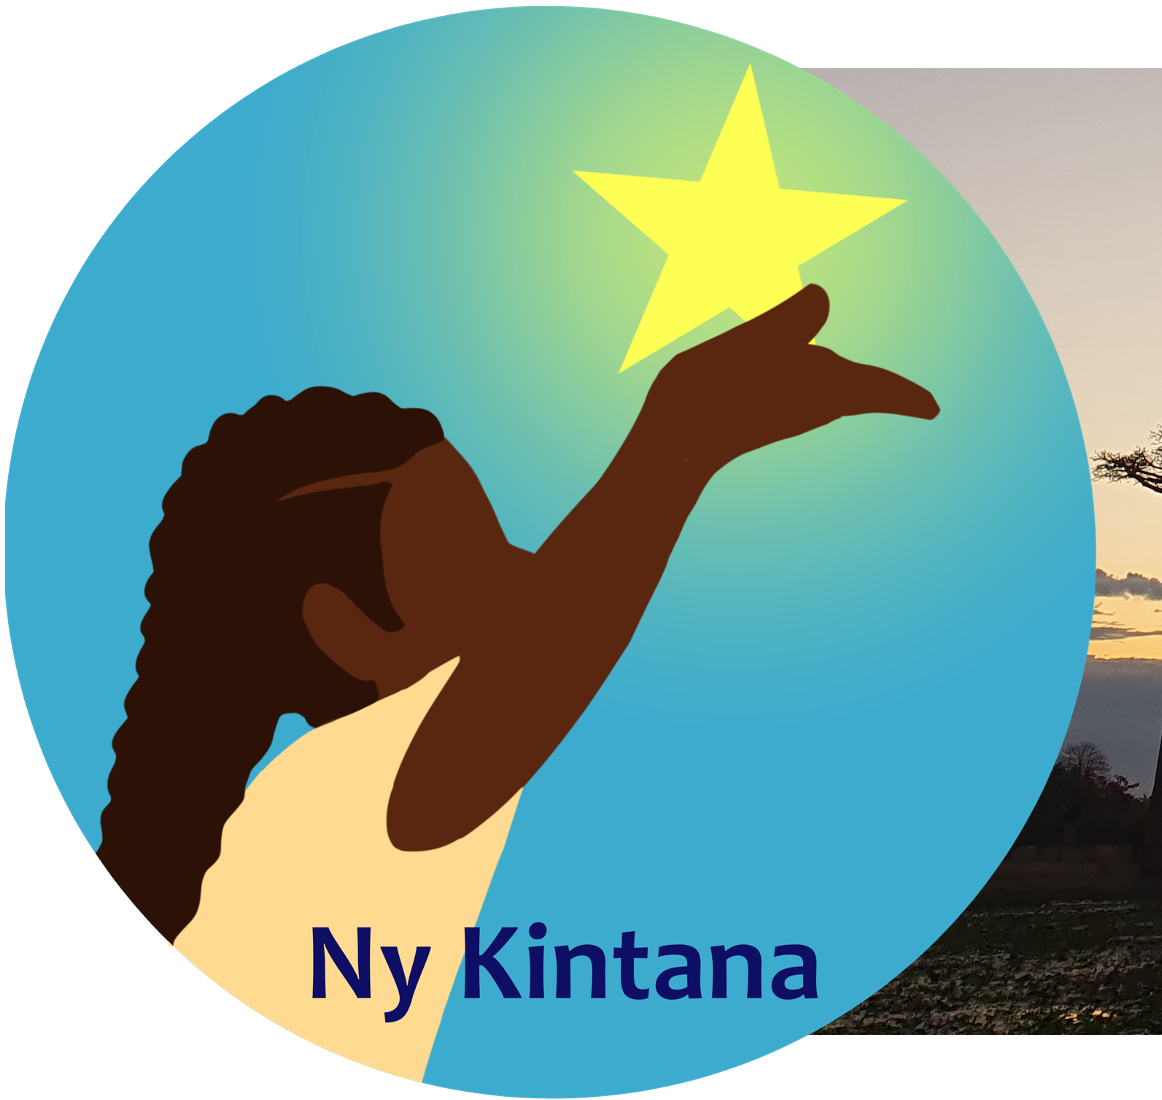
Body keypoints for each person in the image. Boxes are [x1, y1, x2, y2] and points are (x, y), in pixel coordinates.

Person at [103, 287, 934, 1080]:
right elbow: (520, 679)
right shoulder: (317, 811)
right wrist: (681, 438)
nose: (527, 569)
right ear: (346, 630)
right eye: (472, 556)